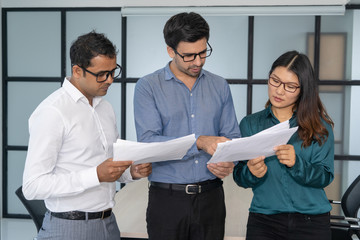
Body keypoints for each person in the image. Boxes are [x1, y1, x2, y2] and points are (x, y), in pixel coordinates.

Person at [22, 31, 152, 240]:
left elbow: (108, 167)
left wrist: (131, 172)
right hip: (68, 228)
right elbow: (33, 186)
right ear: (77, 70)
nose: (109, 80)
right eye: (101, 74)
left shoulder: (105, 108)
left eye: (113, 72)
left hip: (109, 224)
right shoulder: (53, 112)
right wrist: (95, 175)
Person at [134, 12, 241, 240]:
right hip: (167, 201)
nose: (198, 61)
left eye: (203, 52)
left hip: (212, 198)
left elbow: (231, 136)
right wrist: (200, 142)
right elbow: (148, 143)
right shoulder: (148, 87)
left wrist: (228, 160)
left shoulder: (220, 86)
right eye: (189, 56)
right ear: (171, 51)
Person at [233, 50, 334, 240]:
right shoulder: (250, 124)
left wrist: (297, 164)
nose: (279, 91)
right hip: (263, 221)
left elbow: (325, 177)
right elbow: (240, 176)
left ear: (303, 89)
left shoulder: (320, 126)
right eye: (275, 80)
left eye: (290, 86)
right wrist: (250, 172)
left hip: (312, 223)